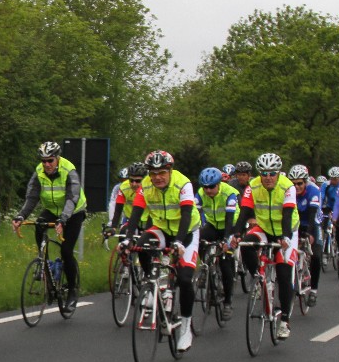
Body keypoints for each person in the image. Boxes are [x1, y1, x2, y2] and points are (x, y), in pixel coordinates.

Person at [123, 150, 200, 351]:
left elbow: (186, 214)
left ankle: (186, 328)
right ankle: (152, 282)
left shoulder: (183, 184)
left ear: (170, 171)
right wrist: (128, 239)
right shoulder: (145, 185)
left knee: (185, 279)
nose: (157, 177)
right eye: (153, 173)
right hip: (162, 228)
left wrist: (179, 242)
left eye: (162, 173)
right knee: (141, 245)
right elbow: (136, 213)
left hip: (187, 232)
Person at [12, 141, 88, 310]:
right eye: (43, 161)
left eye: (50, 160)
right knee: (39, 225)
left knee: (66, 251)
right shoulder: (39, 171)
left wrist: (63, 219)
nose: (46, 164)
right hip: (52, 209)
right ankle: (44, 266)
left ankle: (72, 290)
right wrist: (21, 216)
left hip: (73, 212)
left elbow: (72, 198)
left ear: (57, 158)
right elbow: (32, 197)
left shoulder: (69, 170)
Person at [231, 152, 297, 339]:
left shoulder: (288, 187)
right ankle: (258, 279)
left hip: (287, 229)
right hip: (264, 227)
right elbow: (244, 211)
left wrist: (285, 237)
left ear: (278, 173)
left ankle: (284, 320)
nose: (268, 177)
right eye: (264, 174)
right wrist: (237, 234)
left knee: (284, 273)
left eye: (272, 173)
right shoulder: (253, 186)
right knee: (246, 244)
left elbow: (287, 214)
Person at [195, 166, 238, 319]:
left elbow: (229, 219)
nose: (208, 190)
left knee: (226, 264)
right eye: (205, 187)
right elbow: (195, 214)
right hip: (213, 225)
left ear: (219, 184)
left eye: (211, 186)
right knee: (198, 239)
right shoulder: (200, 194)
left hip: (230, 226)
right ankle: (205, 266)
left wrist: (226, 240)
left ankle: (228, 302)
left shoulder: (230, 193)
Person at [290, 164, 322, 298]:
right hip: (296, 223)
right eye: (293, 184)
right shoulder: (288, 191)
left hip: (312, 222)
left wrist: (309, 233)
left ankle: (313, 290)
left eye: (299, 183)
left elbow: (313, 215)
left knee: (316, 256)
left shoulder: (313, 191)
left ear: (305, 182)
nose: (296, 186)